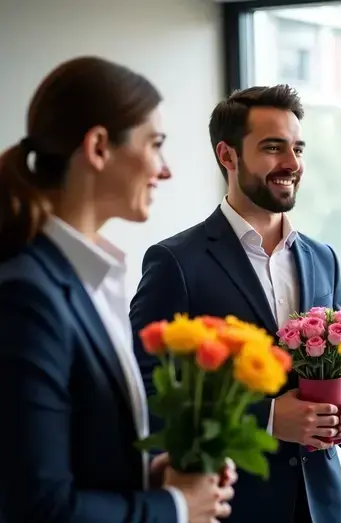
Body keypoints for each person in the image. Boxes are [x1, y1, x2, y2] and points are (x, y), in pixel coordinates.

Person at [0, 57, 236, 523]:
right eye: (156, 145)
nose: (164, 170)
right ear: (99, 147)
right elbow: (37, 507)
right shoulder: (27, 297)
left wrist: (151, 475)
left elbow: (70, 456)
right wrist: (175, 507)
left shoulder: (88, 278)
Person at [130, 85, 341, 523]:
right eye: (273, 148)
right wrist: (269, 417)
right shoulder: (176, 262)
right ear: (228, 155)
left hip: (324, 506)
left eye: (297, 148)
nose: (292, 163)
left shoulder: (323, 258)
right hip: (233, 508)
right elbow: (150, 391)